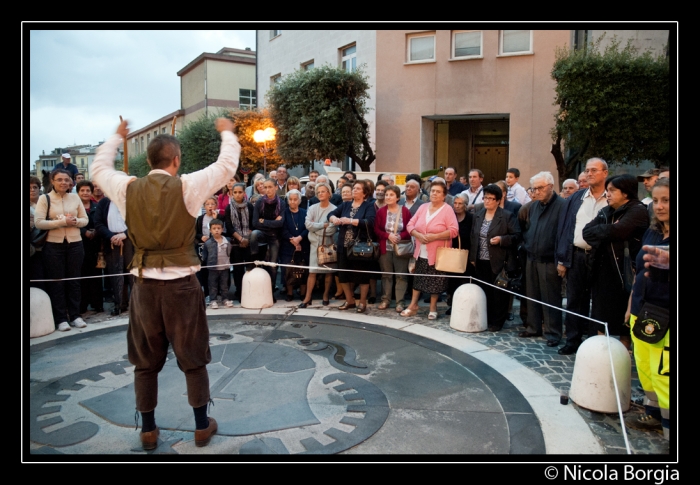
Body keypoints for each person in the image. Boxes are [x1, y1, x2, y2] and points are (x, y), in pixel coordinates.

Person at [91, 117, 239, 450]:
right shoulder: (187, 186)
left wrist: (116, 137)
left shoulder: (128, 187)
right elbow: (227, 165)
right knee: (192, 355)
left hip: (143, 287)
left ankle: (148, 429)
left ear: (149, 162)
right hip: (182, 287)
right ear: (175, 160)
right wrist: (227, 131)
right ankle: (201, 427)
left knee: (145, 360)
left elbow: (98, 168)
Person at [624, 178, 670, 440]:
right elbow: (640, 271)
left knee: (665, 376)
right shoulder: (652, 231)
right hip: (643, 310)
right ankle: (652, 414)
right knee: (645, 369)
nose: (660, 206)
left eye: (667, 200)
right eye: (656, 200)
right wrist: (631, 306)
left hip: (666, 316)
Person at [582, 174, 649, 348]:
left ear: (626, 192)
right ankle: (602, 353)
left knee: (622, 322)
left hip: (624, 272)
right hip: (603, 271)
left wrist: (609, 230)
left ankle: (623, 357)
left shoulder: (637, 210)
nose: (608, 194)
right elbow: (586, 232)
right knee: (602, 317)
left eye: (612, 190)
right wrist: (609, 229)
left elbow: (619, 230)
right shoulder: (606, 211)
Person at [556, 158, 610, 355]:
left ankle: (595, 340)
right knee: (575, 299)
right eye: (587, 170)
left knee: (599, 300)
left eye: (594, 170)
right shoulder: (575, 198)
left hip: (601, 258)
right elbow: (564, 229)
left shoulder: (611, 198)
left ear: (605, 173)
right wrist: (562, 259)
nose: (589, 174)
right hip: (577, 255)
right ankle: (573, 339)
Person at [34, 168, 89, 330]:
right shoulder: (45, 199)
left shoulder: (75, 197)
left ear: (71, 182)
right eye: (60, 179)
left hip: (75, 244)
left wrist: (75, 222)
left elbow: (85, 220)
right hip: (53, 245)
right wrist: (60, 222)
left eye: (66, 180)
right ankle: (60, 318)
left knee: (74, 281)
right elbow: (39, 222)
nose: (64, 182)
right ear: (52, 181)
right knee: (57, 282)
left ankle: (75, 315)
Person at [518, 172, 567, 346]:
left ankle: (553, 333)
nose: (536, 192)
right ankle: (533, 327)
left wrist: (562, 260)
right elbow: (525, 226)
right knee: (532, 295)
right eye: (533, 188)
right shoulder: (533, 206)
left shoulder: (562, 206)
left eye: (540, 188)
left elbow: (564, 235)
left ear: (551, 187)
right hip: (531, 257)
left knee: (550, 297)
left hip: (550, 260)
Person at [401, 180, 459, 320]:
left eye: (438, 191)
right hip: (421, 251)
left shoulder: (447, 209)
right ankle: (413, 305)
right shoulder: (423, 207)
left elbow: (454, 230)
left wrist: (435, 236)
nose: (434, 193)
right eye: (433, 191)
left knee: (435, 281)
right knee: (418, 279)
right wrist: (418, 234)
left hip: (438, 252)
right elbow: (410, 225)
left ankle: (433, 308)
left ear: (444, 195)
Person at [469, 184, 521, 331]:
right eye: (485, 198)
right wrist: (473, 257)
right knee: (484, 291)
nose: (487, 201)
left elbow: (517, 236)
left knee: (499, 293)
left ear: (498, 200)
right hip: (481, 260)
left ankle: (497, 322)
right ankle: (486, 318)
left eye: (491, 199)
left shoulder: (506, 216)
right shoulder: (478, 214)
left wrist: (502, 240)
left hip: (499, 260)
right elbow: (474, 236)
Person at [328, 180, 376, 313]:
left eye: (358, 188)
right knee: (342, 274)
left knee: (362, 275)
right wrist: (334, 219)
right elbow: (330, 214)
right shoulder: (346, 205)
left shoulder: (368, 206)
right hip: (343, 245)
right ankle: (350, 300)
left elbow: (370, 222)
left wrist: (350, 221)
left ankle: (362, 302)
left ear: (365, 192)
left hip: (359, 245)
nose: (354, 190)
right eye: (353, 188)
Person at [374, 185, 413, 313]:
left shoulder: (405, 211)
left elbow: (410, 228)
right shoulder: (381, 211)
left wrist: (400, 236)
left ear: (397, 197)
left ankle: (400, 302)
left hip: (401, 248)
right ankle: (385, 299)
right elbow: (377, 229)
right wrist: (387, 235)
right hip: (386, 248)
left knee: (401, 275)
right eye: (386, 195)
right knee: (386, 275)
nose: (388, 197)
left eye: (391, 195)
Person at [300, 182, 337, 307]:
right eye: (318, 192)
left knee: (328, 272)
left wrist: (316, 227)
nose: (320, 193)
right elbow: (308, 225)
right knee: (312, 272)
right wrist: (322, 225)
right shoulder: (312, 208)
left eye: (323, 191)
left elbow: (332, 229)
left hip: (327, 244)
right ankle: (307, 297)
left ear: (329, 193)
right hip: (314, 244)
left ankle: (325, 295)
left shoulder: (334, 209)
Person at [225, 183, 262, 301]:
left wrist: (246, 238)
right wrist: (240, 239)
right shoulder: (228, 208)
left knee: (250, 267)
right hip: (236, 243)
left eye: (240, 192)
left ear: (244, 193)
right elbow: (230, 227)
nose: (237, 194)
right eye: (235, 192)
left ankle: (250, 290)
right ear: (232, 193)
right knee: (238, 269)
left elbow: (253, 223)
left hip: (249, 241)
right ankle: (240, 292)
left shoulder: (250, 206)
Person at [253, 179, 286, 296]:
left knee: (272, 265)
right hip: (261, 235)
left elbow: (280, 223)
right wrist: (272, 222)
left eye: (270, 187)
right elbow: (255, 223)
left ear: (276, 187)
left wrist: (264, 222)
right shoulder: (259, 202)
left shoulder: (281, 203)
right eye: (265, 187)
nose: (267, 189)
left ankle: (271, 291)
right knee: (253, 235)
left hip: (274, 236)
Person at [76, 180, 104, 314]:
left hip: (96, 245)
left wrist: (95, 232)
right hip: (80, 245)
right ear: (78, 192)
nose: (85, 193)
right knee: (82, 276)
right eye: (82, 190)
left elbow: (103, 222)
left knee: (96, 276)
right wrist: (84, 232)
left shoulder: (98, 206)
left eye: (88, 190)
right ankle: (82, 305)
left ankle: (97, 304)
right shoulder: (74, 207)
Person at [446, 193, 474, 316]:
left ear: (466, 205)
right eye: (455, 203)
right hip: (451, 254)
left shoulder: (471, 218)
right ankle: (452, 304)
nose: (456, 206)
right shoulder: (450, 216)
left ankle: (464, 305)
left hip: (466, 254)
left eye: (460, 204)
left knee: (464, 280)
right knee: (451, 281)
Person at [279, 189, 309, 301]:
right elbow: (282, 228)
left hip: (303, 244)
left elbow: (308, 227)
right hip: (288, 245)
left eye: (295, 199)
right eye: (290, 199)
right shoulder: (284, 213)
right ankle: (290, 293)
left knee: (303, 269)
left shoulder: (305, 212)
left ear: (299, 200)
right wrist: (293, 240)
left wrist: (300, 238)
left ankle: (302, 293)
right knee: (288, 270)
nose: (293, 202)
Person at [195, 197, 224, 299]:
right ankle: (207, 292)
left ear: (216, 206)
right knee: (204, 269)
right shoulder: (200, 218)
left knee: (217, 270)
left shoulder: (219, 217)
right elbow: (196, 233)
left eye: (212, 204)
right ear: (204, 206)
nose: (210, 206)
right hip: (203, 246)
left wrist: (216, 218)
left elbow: (222, 231)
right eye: (207, 204)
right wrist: (201, 237)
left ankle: (219, 292)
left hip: (216, 246)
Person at [201, 218, 233, 309]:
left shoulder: (227, 241)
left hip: (225, 267)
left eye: (218, 228)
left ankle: (225, 299)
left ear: (222, 229)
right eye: (214, 228)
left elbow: (231, 253)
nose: (216, 230)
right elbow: (205, 255)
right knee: (213, 285)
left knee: (224, 285)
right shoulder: (208, 243)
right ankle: (213, 300)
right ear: (210, 230)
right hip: (213, 268)